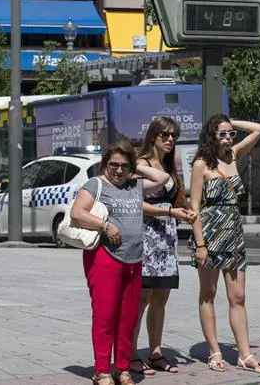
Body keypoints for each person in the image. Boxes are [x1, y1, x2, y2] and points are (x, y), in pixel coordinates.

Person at [70, 140, 170, 385]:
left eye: (124, 166)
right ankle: (102, 371)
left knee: (128, 319)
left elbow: (163, 178)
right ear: (105, 164)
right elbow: (77, 212)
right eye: (113, 164)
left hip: (134, 260)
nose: (118, 170)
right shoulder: (96, 184)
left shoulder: (135, 186)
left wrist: (137, 165)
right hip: (105, 259)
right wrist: (104, 225)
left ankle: (122, 369)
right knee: (105, 317)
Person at [188, 114, 260, 374]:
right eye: (220, 133)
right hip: (210, 234)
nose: (226, 138)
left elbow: (259, 129)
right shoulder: (201, 164)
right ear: (210, 135)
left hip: (233, 233)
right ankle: (214, 352)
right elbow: (194, 208)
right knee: (208, 294)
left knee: (238, 296)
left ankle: (244, 354)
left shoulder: (234, 154)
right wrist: (200, 244)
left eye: (229, 133)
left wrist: (231, 122)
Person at [130, 117, 196, 376]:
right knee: (141, 299)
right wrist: (169, 212)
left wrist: (185, 214)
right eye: (165, 135)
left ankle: (155, 352)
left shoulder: (169, 165)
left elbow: (178, 202)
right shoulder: (141, 164)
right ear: (153, 137)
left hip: (166, 240)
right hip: (146, 237)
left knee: (161, 299)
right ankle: (131, 354)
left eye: (173, 136)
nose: (170, 140)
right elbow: (135, 202)